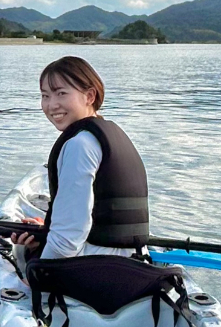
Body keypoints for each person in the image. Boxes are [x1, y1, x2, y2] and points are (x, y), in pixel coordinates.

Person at [13, 56, 149, 267]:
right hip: (130, 258)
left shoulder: (80, 145)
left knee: (28, 262)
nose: (51, 105)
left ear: (89, 96)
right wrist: (43, 233)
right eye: (45, 96)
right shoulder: (111, 134)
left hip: (101, 267)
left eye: (61, 93)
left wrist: (40, 273)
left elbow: (68, 238)